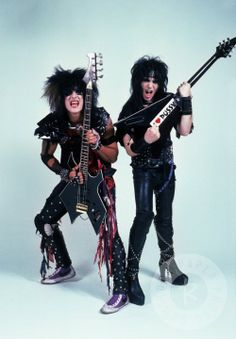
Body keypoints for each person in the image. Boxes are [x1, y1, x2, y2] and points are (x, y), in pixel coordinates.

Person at [34, 66, 128, 314]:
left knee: (108, 233)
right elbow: (47, 156)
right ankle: (65, 266)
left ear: (87, 97)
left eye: (79, 92)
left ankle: (121, 290)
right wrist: (65, 173)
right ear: (61, 98)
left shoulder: (100, 119)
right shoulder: (55, 123)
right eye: (69, 93)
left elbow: (114, 155)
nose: (74, 97)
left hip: (98, 182)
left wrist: (97, 143)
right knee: (44, 220)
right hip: (73, 181)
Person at [116, 56, 193, 306]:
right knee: (144, 215)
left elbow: (184, 130)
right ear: (138, 82)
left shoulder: (169, 102)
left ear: (160, 84)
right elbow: (129, 149)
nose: (150, 85)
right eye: (146, 80)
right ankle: (131, 273)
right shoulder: (130, 109)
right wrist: (144, 141)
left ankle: (167, 261)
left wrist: (187, 99)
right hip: (143, 170)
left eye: (155, 81)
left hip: (166, 168)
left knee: (165, 217)